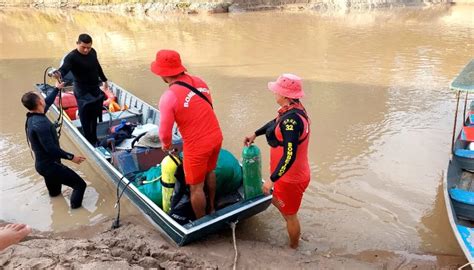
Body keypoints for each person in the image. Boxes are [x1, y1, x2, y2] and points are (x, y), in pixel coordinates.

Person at [151, 49, 223, 219]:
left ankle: (202, 221)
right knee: (210, 171)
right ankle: (212, 208)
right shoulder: (200, 82)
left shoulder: (169, 97)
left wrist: (166, 146)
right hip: (216, 136)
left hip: (197, 145)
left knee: (195, 187)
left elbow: (165, 132)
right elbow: (206, 106)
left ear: (162, 74)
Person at [243, 73, 311, 249]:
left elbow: (289, 156)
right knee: (279, 203)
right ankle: (294, 231)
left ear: (286, 96)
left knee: (290, 215)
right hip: (286, 175)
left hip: (290, 178)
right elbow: (275, 122)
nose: (274, 93)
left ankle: (294, 249)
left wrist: (272, 180)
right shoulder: (293, 110)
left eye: (277, 91)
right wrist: (255, 133)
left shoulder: (292, 122)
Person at [22, 84, 87, 209]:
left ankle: (57, 215)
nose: (43, 97)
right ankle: (76, 213)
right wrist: (71, 157)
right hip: (50, 166)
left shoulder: (34, 116)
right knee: (80, 185)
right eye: (41, 96)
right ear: (39, 102)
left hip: (43, 166)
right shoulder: (40, 124)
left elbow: (48, 102)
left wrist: (57, 88)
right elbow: (51, 149)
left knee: (56, 194)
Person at [53, 33, 109, 145]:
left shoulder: (93, 52)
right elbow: (64, 69)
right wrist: (58, 74)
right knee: (85, 116)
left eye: (89, 47)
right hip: (82, 90)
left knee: (94, 114)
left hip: (94, 88)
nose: (86, 50)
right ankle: (89, 140)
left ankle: (94, 138)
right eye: (83, 47)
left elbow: (97, 66)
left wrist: (104, 80)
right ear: (77, 43)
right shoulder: (72, 57)